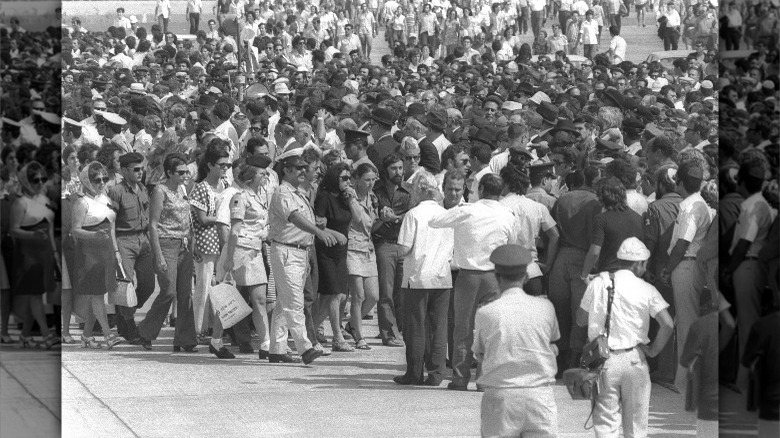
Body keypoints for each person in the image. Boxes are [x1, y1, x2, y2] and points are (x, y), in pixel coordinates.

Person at [577, 237, 675, 437]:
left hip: (603, 361)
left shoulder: (598, 283)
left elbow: (580, 320)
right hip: (634, 359)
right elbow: (668, 324)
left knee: (605, 425)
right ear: (638, 264)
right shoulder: (647, 289)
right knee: (636, 428)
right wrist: (653, 351)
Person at [429, 174, 518, 390]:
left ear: (481, 189)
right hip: (494, 277)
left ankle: (460, 378)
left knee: (463, 329)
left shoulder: (468, 210)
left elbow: (434, 221)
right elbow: (512, 244)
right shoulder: (507, 215)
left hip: (468, 276)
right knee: (490, 330)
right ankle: (484, 379)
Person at [474, 244, 560, 437]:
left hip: (501, 397)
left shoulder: (486, 313)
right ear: (526, 277)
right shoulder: (546, 308)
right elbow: (552, 345)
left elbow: (480, 353)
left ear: (497, 277)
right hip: (539, 396)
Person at [267, 148, 344, 364]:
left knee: (284, 302)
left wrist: (322, 233)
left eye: (304, 167)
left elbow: (307, 222)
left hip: (299, 251)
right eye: (298, 168)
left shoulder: (298, 192)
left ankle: (277, 348)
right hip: (286, 250)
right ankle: (305, 348)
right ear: (286, 170)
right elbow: (294, 218)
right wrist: (318, 232)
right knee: (294, 302)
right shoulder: (283, 192)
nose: (303, 171)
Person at [394, 171, 453, 386]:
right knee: (439, 327)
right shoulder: (445, 214)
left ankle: (414, 372)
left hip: (417, 277)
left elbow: (404, 248)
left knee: (416, 327)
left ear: (417, 190)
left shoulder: (413, 215)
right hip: (442, 277)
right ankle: (437, 373)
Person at [135, 153, 198, 352]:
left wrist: (193, 245)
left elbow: (189, 220)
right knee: (169, 291)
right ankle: (145, 331)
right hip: (166, 243)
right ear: (169, 173)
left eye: (187, 171)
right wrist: (159, 255)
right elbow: (153, 226)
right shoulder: (160, 192)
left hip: (184, 245)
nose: (185, 175)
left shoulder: (183, 190)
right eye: (181, 172)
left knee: (185, 293)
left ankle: (185, 339)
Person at [221, 156, 274, 359]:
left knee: (259, 299)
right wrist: (229, 260)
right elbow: (234, 231)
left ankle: (266, 344)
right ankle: (217, 340)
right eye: (262, 173)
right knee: (229, 298)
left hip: (255, 251)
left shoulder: (258, 197)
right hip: (240, 251)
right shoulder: (240, 197)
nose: (265, 176)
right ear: (251, 177)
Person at [70, 161, 123, 349]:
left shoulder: (105, 199)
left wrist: (116, 252)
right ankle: (108, 335)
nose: (101, 183)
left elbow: (112, 228)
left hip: (106, 252)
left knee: (98, 294)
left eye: (104, 179)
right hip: (89, 254)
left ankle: (86, 336)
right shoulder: (81, 202)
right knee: (97, 295)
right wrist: (94, 235)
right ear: (86, 180)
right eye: (96, 179)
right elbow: (75, 230)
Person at [9, 162, 60, 349]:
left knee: (37, 295)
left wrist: (54, 254)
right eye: (34, 179)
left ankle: (24, 335)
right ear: (25, 180)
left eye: (42, 179)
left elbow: (50, 227)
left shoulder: (44, 199)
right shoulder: (20, 202)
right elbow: (13, 230)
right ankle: (47, 335)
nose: (39, 183)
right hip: (27, 254)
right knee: (35, 295)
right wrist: (32, 234)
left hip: (44, 253)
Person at [108, 152, 156, 344]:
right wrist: (116, 250)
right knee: (126, 286)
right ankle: (129, 327)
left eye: (142, 169)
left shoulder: (143, 189)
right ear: (124, 170)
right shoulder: (116, 191)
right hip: (124, 240)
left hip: (142, 240)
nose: (140, 172)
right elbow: (110, 223)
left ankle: (124, 313)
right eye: (136, 169)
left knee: (148, 284)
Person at [313, 162, 354, 352]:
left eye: (349, 178)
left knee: (337, 295)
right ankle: (337, 336)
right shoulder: (324, 197)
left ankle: (310, 330)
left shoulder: (344, 198)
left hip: (340, 252)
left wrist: (352, 200)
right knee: (333, 294)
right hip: (326, 250)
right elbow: (315, 223)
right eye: (343, 178)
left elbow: (358, 220)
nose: (347, 181)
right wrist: (334, 233)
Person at [372, 153, 411, 347]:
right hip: (384, 243)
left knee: (402, 291)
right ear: (386, 170)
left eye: (400, 168)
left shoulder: (408, 191)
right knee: (385, 291)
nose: (398, 172)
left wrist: (395, 218)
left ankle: (402, 329)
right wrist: (381, 217)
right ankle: (388, 333)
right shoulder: (376, 191)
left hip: (404, 243)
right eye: (394, 168)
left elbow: (413, 215)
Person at [344, 162, 380, 350]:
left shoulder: (373, 198)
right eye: (367, 180)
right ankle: (359, 335)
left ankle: (351, 324)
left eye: (373, 180)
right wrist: (352, 200)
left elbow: (372, 223)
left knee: (373, 295)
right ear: (356, 179)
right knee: (358, 294)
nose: (371, 184)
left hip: (368, 248)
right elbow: (358, 219)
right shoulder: (350, 195)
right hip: (353, 246)